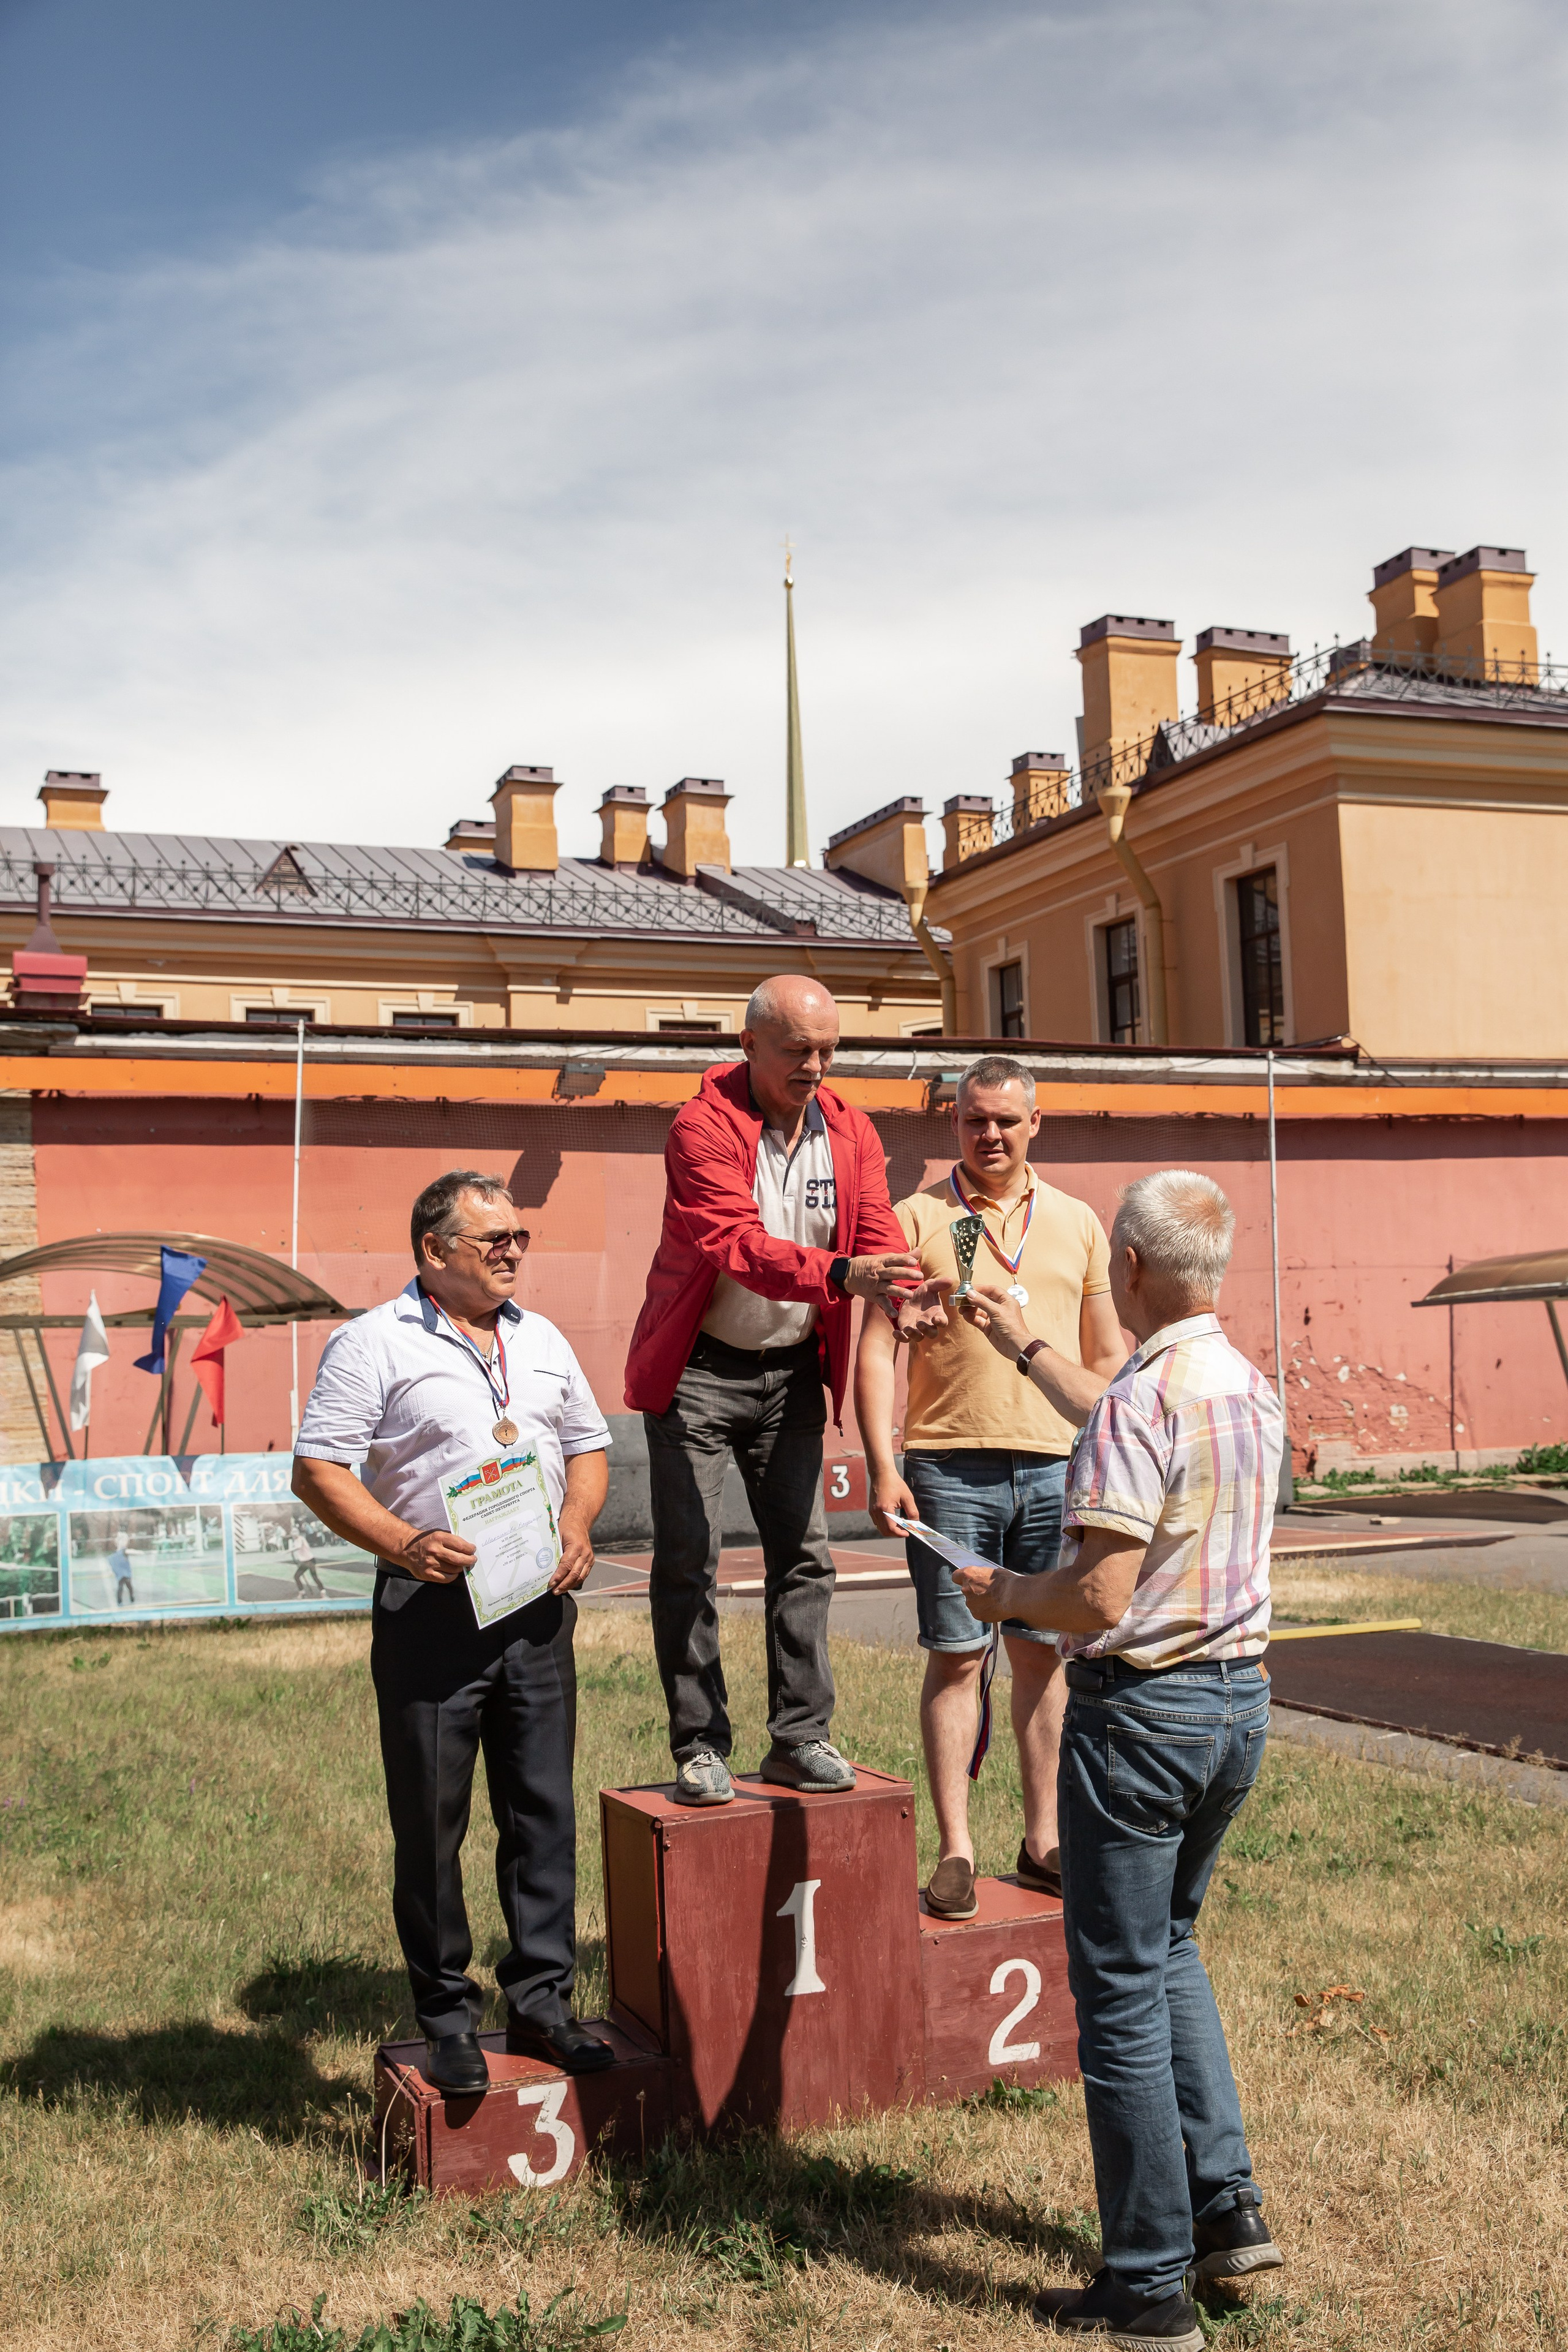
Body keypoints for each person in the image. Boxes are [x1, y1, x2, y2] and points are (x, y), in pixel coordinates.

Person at [956, 1170, 1284, 2349]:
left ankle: (1148, 2284)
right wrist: (1028, 1341)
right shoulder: (1244, 1384)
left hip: (1144, 1715)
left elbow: (1093, 1596)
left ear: (1130, 1272)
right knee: (1172, 1950)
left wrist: (1005, 1594)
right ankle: (1226, 2208)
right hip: (1238, 1707)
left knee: (1120, 1994)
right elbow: (1116, 1408)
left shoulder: (1141, 1401)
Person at [293, 1170, 613, 2095]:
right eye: (494, 1239)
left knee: (542, 1813)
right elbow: (318, 1469)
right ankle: (446, 2020)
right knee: (432, 1828)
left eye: (521, 1237)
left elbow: (587, 1445)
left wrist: (578, 1525)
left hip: (537, 1611)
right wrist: (404, 1541)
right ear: (435, 1251)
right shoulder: (372, 1344)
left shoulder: (542, 1338)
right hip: (432, 1611)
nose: (515, 1250)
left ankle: (545, 2004)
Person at [625, 974, 946, 1807]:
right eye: (799, 1050)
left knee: (804, 1558)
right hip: (699, 1372)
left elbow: (876, 1233)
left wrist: (902, 1293)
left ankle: (800, 1737)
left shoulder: (851, 1130)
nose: (816, 1066)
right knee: (688, 1560)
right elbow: (737, 1245)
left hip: (794, 1372)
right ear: (750, 1047)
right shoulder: (701, 1127)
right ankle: (700, 1746)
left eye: (829, 1050)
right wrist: (845, 1273)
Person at [855, 1054, 1125, 1919]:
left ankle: (1042, 1840)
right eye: (975, 1120)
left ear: (1035, 1123)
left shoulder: (1079, 1221)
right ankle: (957, 1850)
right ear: (954, 1124)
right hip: (947, 1464)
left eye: (1007, 1120)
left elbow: (1108, 1349)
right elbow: (873, 1349)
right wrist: (884, 1464)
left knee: (1044, 1657)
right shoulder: (915, 1217)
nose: (991, 1134)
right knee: (956, 1656)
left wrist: (1114, 1435)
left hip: (1056, 1467)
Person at [290, 1524, 326, 1598]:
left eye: (296, 1531)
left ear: (298, 1532)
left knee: (314, 1577)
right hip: (305, 1562)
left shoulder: (301, 1539)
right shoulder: (295, 1540)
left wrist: (290, 1550)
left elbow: (299, 1547)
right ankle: (302, 1593)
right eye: (293, 1532)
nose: (294, 1533)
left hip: (310, 1561)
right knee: (297, 1577)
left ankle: (323, 1593)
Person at [109, 1537, 135, 1607]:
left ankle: (130, 1598)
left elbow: (130, 1552)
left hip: (125, 1572)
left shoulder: (124, 1551)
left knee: (128, 1585)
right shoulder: (118, 1553)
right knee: (122, 1585)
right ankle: (120, 1600)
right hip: (122, 1573)